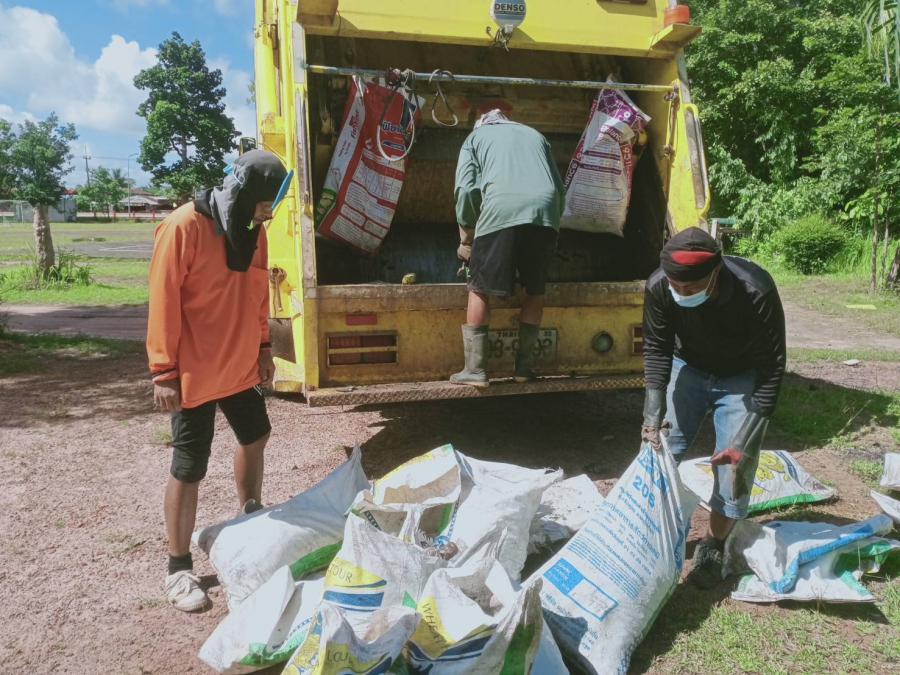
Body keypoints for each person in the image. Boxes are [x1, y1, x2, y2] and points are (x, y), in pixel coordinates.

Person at [147, 150, 288, 612]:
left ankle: (251, 514)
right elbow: (163, 300)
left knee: (257, 434)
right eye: (265, 202)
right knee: (190, 466)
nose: (268, 213)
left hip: (239, 364)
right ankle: (178, 568)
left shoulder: (253, 231)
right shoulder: (183, 226)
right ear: (243, 191)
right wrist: (163, 370)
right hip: (191, 371)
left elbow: (257, 291)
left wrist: (265, 347)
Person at [641, 227, 786, 589]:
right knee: (657, 453)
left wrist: (744, 440)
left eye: (690, 287)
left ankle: (714, 545)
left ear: (715, 273)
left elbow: (772, 370)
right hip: (686, 368)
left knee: (734, 470)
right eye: (676, 285)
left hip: (742, 375)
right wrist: (650, 418)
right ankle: (649, 537)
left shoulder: (756, 290)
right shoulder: (660, 285)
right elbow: (657, 350)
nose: (681, 293)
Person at [451, 109, 566, 387]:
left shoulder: (475, 137)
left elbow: (466, 190)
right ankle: (524, 369)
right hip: (545, 213)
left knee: (478, 287)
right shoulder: (536, 136)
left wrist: (468, 236)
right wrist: (551, 224)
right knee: (535, 290)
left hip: (501, 209)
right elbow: (559, 189)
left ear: (483, 124)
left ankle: (476, 371)